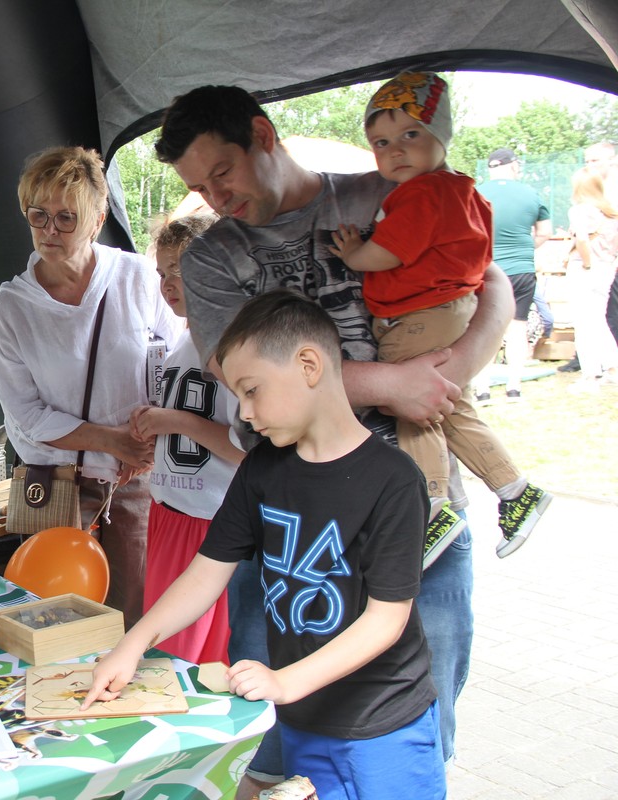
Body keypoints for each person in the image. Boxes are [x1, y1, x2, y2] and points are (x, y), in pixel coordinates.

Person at [153, 84, 511, 795]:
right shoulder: (213, 256)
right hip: (286, 526)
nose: (216, 199)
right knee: (269, 735)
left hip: (419, 506)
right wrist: (395, 383)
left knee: (422, 720)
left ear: (262, 135)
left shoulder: (382, 193)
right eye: (199, 188)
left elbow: (487, 278)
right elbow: (233, 369)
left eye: (222, 173)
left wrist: (451, 372)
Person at [85, 290, 446, 800]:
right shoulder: (263, 468)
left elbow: (387, 619)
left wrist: (286, 682)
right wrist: (133, 644)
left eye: (252, 391)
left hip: (384, 725)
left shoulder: (393, 479)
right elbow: (206, 572)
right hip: (301, 717)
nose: (245, 413)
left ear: (308, 365)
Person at [330, 71, 552, 563]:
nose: (396, 151)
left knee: (411, 402)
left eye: (411, 134)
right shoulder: (465, 190)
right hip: (451, 309)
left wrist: (353, 252)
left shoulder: (422, 193)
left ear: (441, 135)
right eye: (381, 142)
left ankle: (432, 506)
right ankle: (515, 489)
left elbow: (388, 252)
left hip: (419, 314)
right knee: (452, 407)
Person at [0, 145, 180, 629]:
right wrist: (112, 441)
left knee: (135, 616)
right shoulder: (12, 308)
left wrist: (152, 440)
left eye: (66, 218)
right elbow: (25, 414)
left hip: (136, 480)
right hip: (57, 485)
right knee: (58, 622)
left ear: (97, 220)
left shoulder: (137, 278)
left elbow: (178, 365)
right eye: (38, 215)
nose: (49, 230)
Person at [130, 214, 244, 663]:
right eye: (162, 272)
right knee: (166, 653)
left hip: (209, 520)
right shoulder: (184, 339)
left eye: (179, 269)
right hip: (169, 513)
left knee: (197, 659)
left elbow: (246, 449)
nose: (168, 284)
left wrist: (174, 422)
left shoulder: (235, 345)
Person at [476, 147, 552, 400]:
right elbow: (544, 232)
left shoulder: (476, 193)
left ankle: (483, 389)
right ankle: (514, 387)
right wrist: (522, 250)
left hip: (486, 270)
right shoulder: (531, 194)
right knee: (518, 327)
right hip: (521, 270)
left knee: (484, 328)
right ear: (514, 166)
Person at [565, 169, 618, 390]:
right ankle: (612, 369)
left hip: (585, 269)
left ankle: (590, 375)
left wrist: (587, 263)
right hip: (606, 268)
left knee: (583, 322)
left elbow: (582, 239)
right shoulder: (610, 213)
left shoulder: (579, 210)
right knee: (598, 320)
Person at [583, 141, 618, 349]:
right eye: (587, 161)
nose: (590, 165)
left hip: (611, 261)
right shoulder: (592, 190)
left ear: (612, 160)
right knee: (599, 313)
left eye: (595, 160)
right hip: (600, 263)